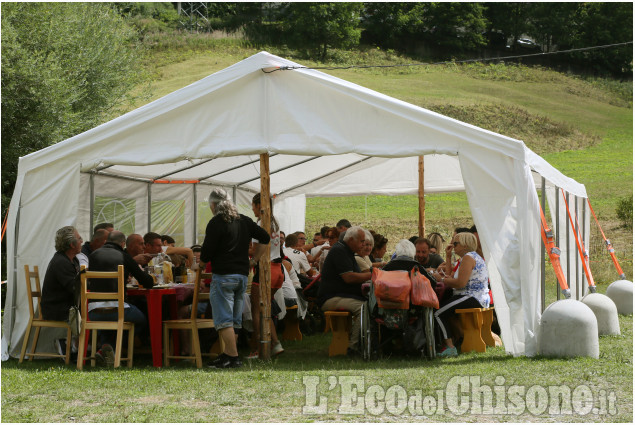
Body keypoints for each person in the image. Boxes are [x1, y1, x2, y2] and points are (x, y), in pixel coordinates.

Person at [200, 188, 270, 369]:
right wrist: (253, 260)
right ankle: (228, 355)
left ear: (214, 205)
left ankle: (233, 357)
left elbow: (207, 251)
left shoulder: (216, 222)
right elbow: (265, 237)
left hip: (223, 275)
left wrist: (199, 265)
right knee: (234, 319)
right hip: (242, 275)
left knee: (223, 319)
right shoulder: (244, 220)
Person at [87, 231, 153, 362]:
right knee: (142, 320)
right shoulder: (123, 256)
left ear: (106, 241)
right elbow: (147, 282)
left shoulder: (93, 255)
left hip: (93, 311)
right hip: (117, 310)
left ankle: (105, 350)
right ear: (123, 243)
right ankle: (112, 347)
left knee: (107, 325)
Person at [432, 232, 490, 357]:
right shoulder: (469, 257)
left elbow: (460, 283)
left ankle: (450, 347)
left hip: (471, 297)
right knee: (442, 309)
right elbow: (450, 278)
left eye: (455, 243)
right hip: (474, 296)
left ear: (465, 245)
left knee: (437, 313)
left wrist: (440, 279)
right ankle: (452, 342)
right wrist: (447, 257)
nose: (453, 245)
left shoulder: (468, 258)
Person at [318, 226, 371, 355]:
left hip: (338, 296)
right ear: (351, 240)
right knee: (364, 308)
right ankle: (354, 346)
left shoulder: (344, 250)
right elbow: (349, 278)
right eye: (361, 241)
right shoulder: (339, 251)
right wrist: (373, 275)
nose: (363, 244)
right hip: (330, 298)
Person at [248, 192, 284, 359]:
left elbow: (256, 251)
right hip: (278, 269)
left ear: (259, 206)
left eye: (253, 206)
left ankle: (259, 348)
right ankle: (275, 343)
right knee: (265, 309)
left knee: (257, 310)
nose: (252, 209)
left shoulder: (261, 223)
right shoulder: (275, 222)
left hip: (266, 269)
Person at [41, 226, 82, 322]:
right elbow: (74, 288)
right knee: (93, 312)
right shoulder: (61, 262)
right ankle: (86, 337)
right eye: (79, 239)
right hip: (57, 310)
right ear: (72, 244)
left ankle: (84, 337)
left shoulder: (73, 260)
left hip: (64, 306)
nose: (82, 241)